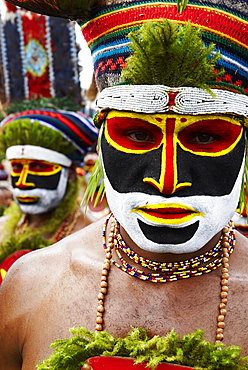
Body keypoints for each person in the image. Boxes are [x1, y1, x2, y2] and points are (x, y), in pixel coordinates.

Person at [0, 0, 248, 369]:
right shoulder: (29, 285)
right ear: (101, 141)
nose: (167, 181)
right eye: (135, 133)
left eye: (205, 138)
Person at [0, 108, 98, 283]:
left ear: (71, 175)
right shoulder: (3, 227)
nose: (23, 182)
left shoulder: (93, 239)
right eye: (16, 167)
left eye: (39, 167)